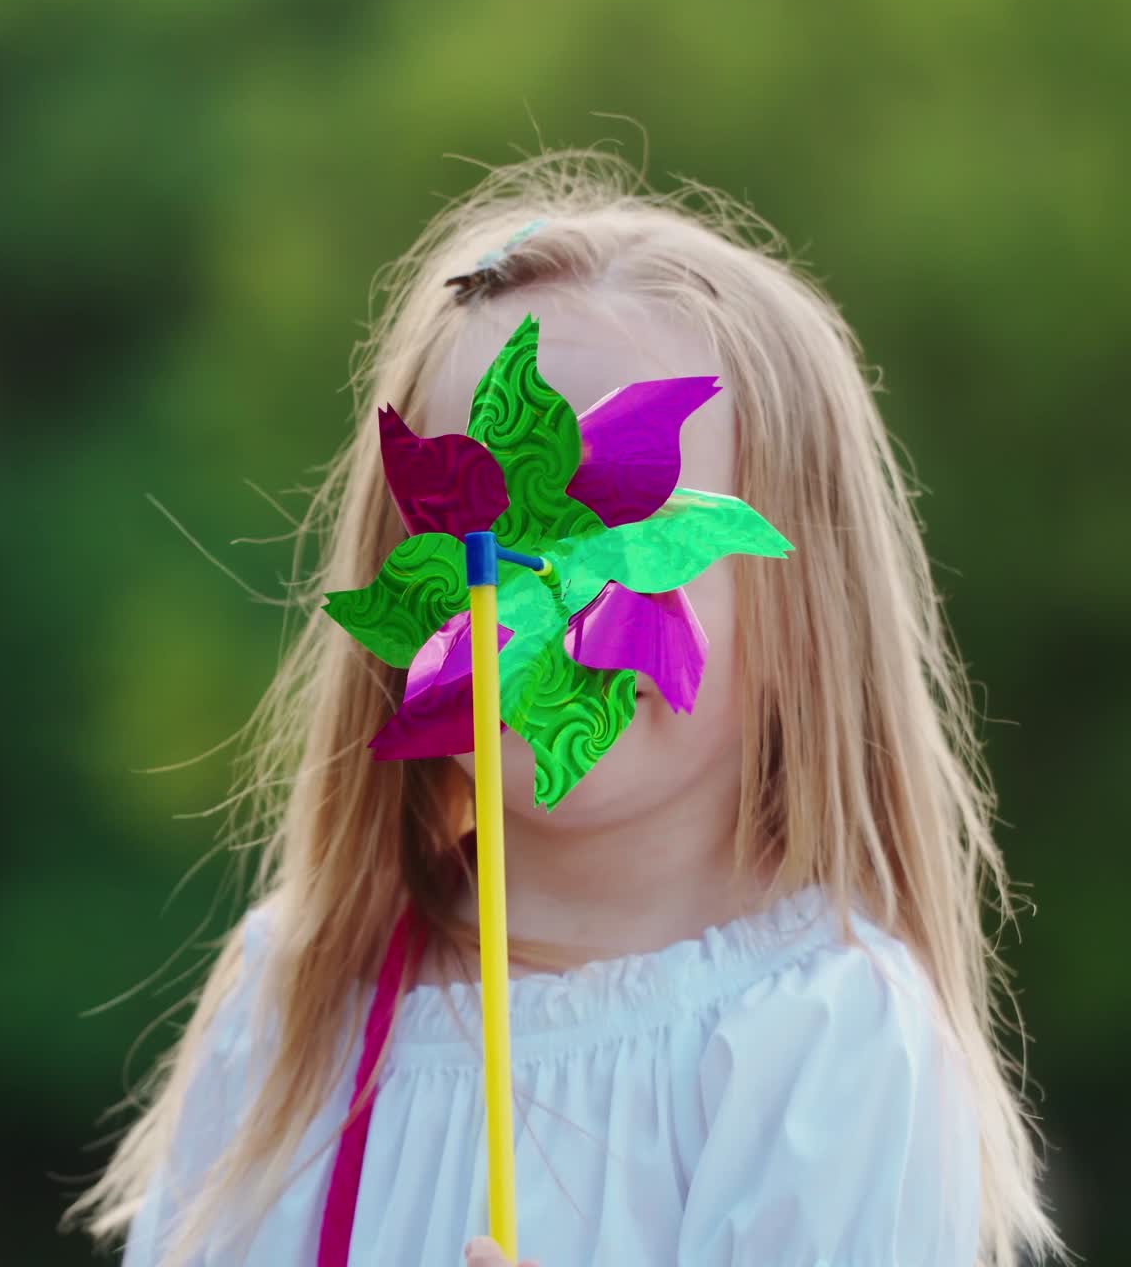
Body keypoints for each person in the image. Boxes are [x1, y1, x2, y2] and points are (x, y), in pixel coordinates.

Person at [68, 152, 1064, 1266]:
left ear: (803, 611)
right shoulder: (296, 995)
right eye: (489, 540)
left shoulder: (824, 1040)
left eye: (618, 526)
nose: (538, 586)